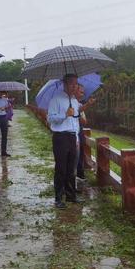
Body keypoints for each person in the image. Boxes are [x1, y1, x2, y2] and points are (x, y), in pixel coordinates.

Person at [47, 74, 82, 209]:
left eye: (76, 84)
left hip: (72, 136)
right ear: (65, 84)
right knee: (61, 168)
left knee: (71, 168)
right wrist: (64, 115)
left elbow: (75, 120)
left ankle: (71, 195)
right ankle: (58, 198)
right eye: (72, 84)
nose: (75, 87)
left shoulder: (74, 101)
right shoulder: (55, 99)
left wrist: (77, 137)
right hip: (60, 137)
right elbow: (50, 118)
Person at [75, 84, 96, 184]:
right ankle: (76, 176)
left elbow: (84, 121)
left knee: (81, 154)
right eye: (81, 92)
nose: (83, 94)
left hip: (80, 132)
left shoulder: (79, 105)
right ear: (75, 90)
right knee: (76, 155)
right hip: (73, 134)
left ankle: (80, 174)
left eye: (83, 92)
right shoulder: (70, 103)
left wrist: (79, 117)